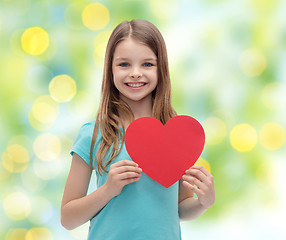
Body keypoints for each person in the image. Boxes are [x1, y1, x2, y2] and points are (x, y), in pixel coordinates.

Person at [61, 19, 215, 239]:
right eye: (124, 64)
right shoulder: (93, 134)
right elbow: (68, 219)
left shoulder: (178, 136)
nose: (135, 73)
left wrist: (204, 202)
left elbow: (179, 209)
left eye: (147, 64)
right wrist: (108, 190)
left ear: (161, 69)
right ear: (110, 68)